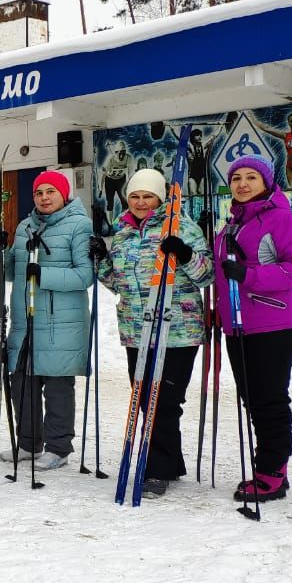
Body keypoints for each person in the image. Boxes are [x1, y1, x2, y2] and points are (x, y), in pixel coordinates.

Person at [93, 168, 214, 497]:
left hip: (177, 330)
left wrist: (186, 255)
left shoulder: (182, 226)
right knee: (148, 398)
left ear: (161, 198)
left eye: (148, 196)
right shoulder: (123, 234)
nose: (141, 202)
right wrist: (101, 260)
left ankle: (157, 469)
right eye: (135, 196)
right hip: (136, 329)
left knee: (164, 400)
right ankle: (171, 461)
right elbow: (118, 283)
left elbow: (206, 276)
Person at [213, 154, 292, 502]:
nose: (242, 184)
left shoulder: (279, 218)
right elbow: (223, 278)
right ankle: (270, 468)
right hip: (238, 327)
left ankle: (271, 472)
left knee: (269, 400)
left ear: (266, 182)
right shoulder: (230, 227)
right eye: (236, 177)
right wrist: (219, 312)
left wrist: (251, 275)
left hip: (272, 325)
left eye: (251, 177)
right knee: (253, 401)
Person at [0, 170, 94, 471]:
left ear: (64, 194)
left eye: (51, 191)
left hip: (59, 324)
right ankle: (29, 442)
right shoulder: (25, 226)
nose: (44, 197)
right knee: (23, 383)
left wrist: (44, 274)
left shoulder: (80, 225)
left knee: (56, 387)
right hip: (25, 321)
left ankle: (58, 447)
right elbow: (11, 271)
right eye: (39, 192)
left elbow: (85, 275)